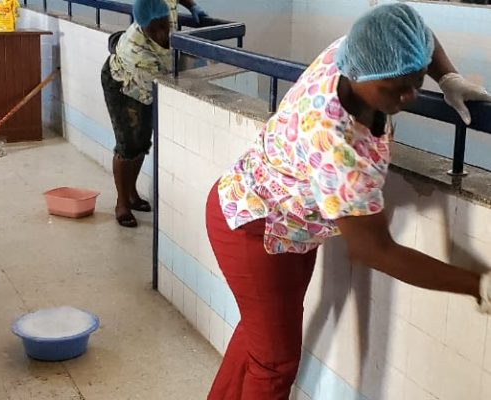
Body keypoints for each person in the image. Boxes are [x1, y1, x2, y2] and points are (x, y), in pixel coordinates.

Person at [204, 3, 491, 399]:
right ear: (359, 74)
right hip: (254, 228)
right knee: (274, 362)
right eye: (395, 88)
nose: (409, 96)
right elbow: (374, 250)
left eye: (416, 80)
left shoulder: (362, 48)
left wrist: (447, 76)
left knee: (261, 342)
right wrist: (477, 283)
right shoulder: (338, 145)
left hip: (288, 226)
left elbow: (414, 30)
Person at [101, 0, 172, 227]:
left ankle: (132, 194)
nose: (163, 34)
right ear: (142, 26)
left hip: (142, 86)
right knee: (127, 143)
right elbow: (163, 85)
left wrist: (194, 7)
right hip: (121, 85)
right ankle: (121, 202)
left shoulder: (165, 11)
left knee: (141, 141)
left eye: (165, 26)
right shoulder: (138, 54)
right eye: (156, 29)